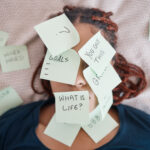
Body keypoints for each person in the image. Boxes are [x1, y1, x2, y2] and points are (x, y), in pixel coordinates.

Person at [0, 5, 150, 150]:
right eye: (64, 63)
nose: (77, 80)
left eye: (88, 64)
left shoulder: (145, 131)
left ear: (111, 66)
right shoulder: (9, 128)